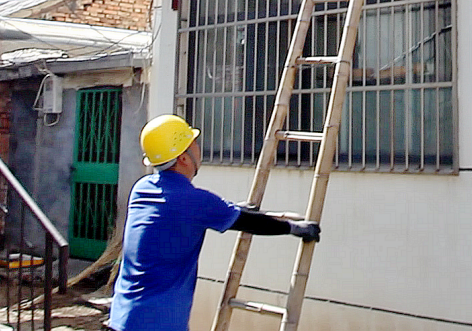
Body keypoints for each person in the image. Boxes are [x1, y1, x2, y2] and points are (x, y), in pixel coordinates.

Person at [107, 114, 321, 331]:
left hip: (121, 317)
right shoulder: (195, 202)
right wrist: (294, 228)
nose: (199, 149)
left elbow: (184, 212)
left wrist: (231, 210)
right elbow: (250, 223)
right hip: (158, 323)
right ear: (183, 157)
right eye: (195, 144)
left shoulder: (142, 189)